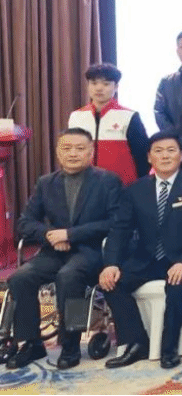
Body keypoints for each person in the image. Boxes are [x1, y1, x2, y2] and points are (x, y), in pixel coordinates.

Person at [6, 128, 122, 371]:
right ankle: (31, 343)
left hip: (90, 252)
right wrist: (50, 235)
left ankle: (71, 344)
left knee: (69, 277)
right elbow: (25, 222)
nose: (73, 154)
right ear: (58, 152)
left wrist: (71, 234)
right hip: (54, 252)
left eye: (80, 148)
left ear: (91, 152)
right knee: (20, 278)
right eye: (67, 148)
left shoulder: (108, 181)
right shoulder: (46, 183)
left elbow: (115, 222)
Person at [98, 132, 182, 370]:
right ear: (149, 157)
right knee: (111, 284)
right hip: (146, 258)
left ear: (181, 156)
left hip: (181, 259)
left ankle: (169, 348)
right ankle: (137, 342)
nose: (165, 156)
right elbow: (120, 229)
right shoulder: (135, 189)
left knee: (178, 288)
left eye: (171, 150)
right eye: (158, 151)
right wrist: (111, 264)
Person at [68, 63, 149, 186]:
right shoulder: (76, 116)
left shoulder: (129, 116)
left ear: (116, 87)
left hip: (122, 186)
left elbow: (142, 155)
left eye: (106, 84)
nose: (99, 88)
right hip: (85, 184)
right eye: (93, 83)